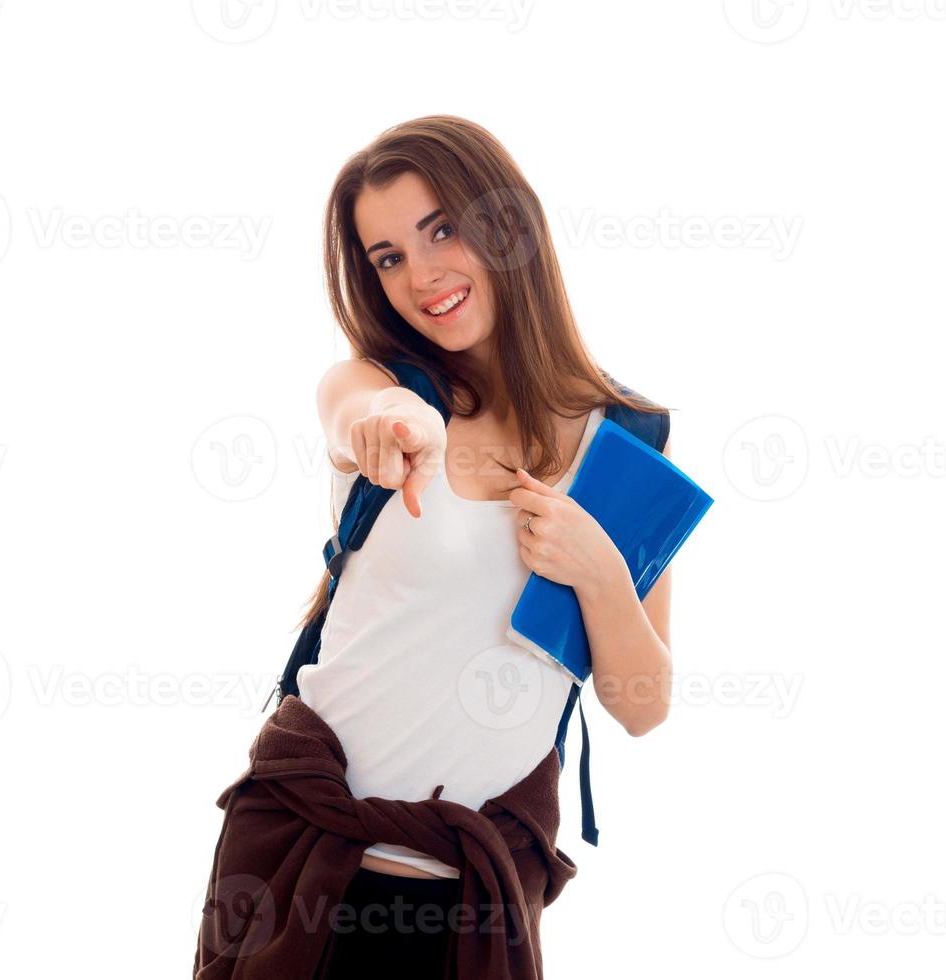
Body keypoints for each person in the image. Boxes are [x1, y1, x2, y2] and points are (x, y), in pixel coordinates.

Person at [297, 114, 676, 976]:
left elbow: (644, 705)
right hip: (305, 867)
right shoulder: (382, 389)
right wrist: (397, 425)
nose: (422, 274)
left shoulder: (624, 447)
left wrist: (597, 571)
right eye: (388, 256)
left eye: (442, 229)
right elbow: (352, 411)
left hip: (476, 901)